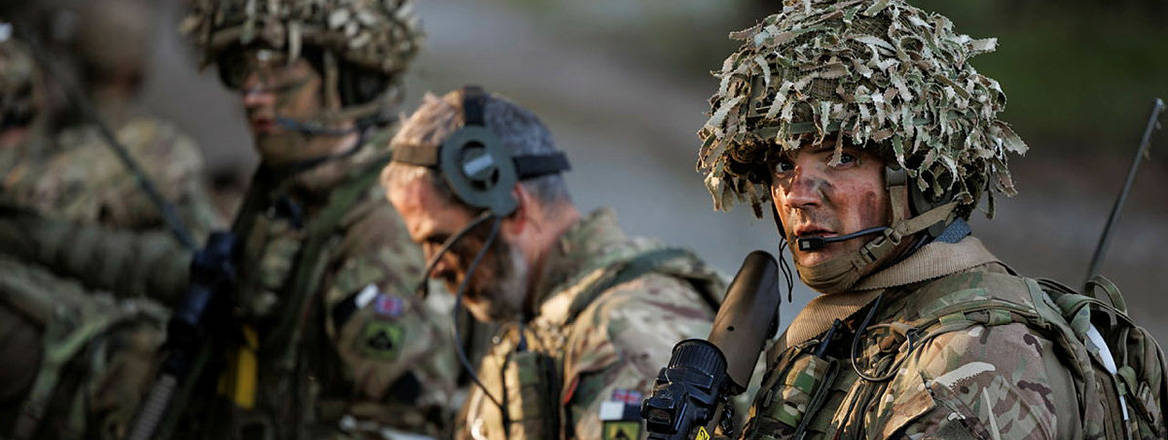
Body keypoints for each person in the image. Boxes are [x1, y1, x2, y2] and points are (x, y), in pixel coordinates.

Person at [691, 0, 1166, 439]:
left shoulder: (978, 360)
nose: (797, 195)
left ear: (920, 179)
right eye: (782, 166)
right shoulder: (859, 323)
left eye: (840, 159)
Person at [165, 0, 459, 438]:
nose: (252, 94)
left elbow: (409, 427)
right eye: (241, 70)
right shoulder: (289, 190)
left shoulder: (380, 229)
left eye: (278, 71)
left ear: (347, 84)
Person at [381, 87, 726, 440]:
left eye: (441, 241)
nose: (434, 268)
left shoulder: (622, 336)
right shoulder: (543, 322)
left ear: (513, 209)